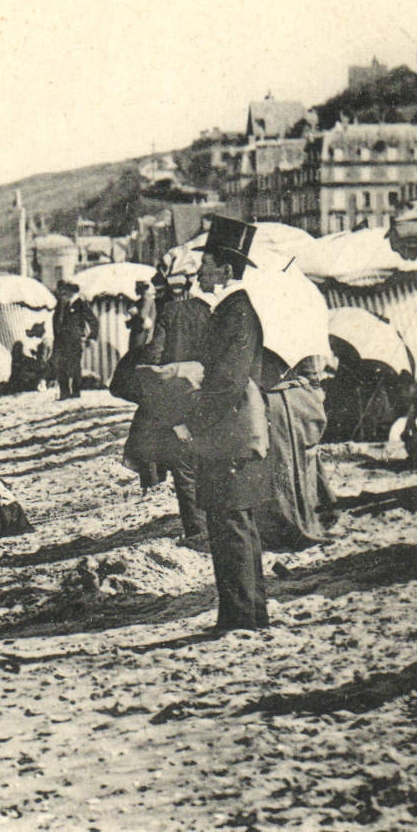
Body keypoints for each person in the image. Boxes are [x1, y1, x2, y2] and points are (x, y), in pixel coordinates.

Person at [177, 217, 271, 632]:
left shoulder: (236, 313)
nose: (200, 272)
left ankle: (240, 618)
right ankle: (247, 614)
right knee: (235, 525)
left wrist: (193, 418)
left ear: (227, 270)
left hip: (227, 436)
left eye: (207, 265)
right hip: (229, 434)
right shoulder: (233, 311)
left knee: (230, 527)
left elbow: (228, 382)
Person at [144, 266, 213, 548]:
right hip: (205, 389)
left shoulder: (169, 312)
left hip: (177, 392)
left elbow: (154, 354)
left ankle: (195, 529)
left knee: (183, 465)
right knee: (208, 458)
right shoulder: (207, 310)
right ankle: (212, 522)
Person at [259, 353, 336, 551]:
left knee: (284, 467)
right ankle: (311, 518)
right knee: (304, 465)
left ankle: (290, 523)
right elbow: (314, 377)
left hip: (282, 401)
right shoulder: (304, 339)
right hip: (302, 400)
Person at [51, 281, 99, 399]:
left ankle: (76, 392)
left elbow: (93, 321)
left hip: (74, 340)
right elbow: (56, 321)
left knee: (74, 366)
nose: (62, 294)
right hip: (60, 340)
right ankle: (64, 392)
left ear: (71, 292)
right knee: (60, 365)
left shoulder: (81, 304)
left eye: (65, 292)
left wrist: (92, 336)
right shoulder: (60, 305)